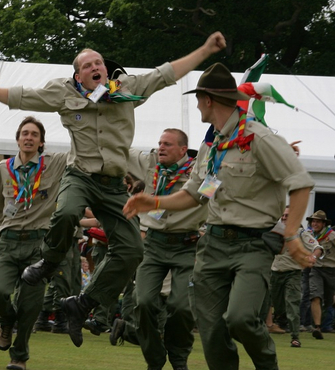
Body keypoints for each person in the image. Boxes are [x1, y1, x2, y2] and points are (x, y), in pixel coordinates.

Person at [0, 31, 229, 348]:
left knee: (132, 251)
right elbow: (21, 96)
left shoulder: (126, 91)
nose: (96, 66)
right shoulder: (64, 94)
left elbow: (167, 73)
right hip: (81, 175)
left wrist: (206, 49)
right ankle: (48, 262)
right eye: (88, 65)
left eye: (99, 62)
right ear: (78, 75)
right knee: (68, 212)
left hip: (114, 185)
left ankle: (84, 304)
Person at [123, 62, 316, 370]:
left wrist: (292, 236)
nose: (197, 104)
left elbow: (301, 183)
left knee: (240, 319)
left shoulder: (259, 138)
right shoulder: (211, 147)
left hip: (251, 246)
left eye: (198, 98)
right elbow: (194, 195)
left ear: (208, 99)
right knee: (211, 330)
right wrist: (152, 200)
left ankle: (268, 364)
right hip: (212, 247)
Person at [0, 116, 68, 370]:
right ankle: (6, 319)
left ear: (41, 142)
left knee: (30, 305)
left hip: (39, 245)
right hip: (8, 242)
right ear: (17, 139)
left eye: (34, 134)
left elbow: (81, 149)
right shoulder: (4, 168)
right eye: (24, 133)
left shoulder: (54, 163)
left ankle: (19, 357)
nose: (28, 138)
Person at [123, 128, 205, 370]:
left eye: (168, 144)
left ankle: (179, 359)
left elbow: (212, 195)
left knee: (181, 306)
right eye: (160, 143)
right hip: (154, 245)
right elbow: (121, 149)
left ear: (182, 149)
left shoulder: (199, 171)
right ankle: (155, 359)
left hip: (187, 245)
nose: (161, 147)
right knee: (144, 301)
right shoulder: (150, 163)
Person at [269, 207, 324, 348]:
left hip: (292, 273)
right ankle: (278, 321)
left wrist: (313, 256)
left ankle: (295, 337)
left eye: (288, 215)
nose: (284, 217)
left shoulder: (300, 233)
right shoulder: (273, 231)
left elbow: (317, 247)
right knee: (274, 304)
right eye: (283, 215)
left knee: (292, 304)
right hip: (274, 273)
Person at [306, 210, 335, 339]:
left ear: (324, 223)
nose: (314, 223)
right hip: (316, 269)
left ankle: (326, 322)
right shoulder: (309, 235)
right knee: (315, 296)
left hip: (331, 270)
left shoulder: (332, 235)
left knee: (329, 301)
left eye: (317, 221)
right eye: (313, 221)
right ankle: (317, 327)